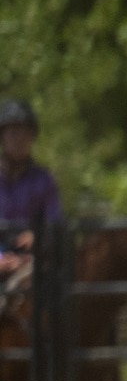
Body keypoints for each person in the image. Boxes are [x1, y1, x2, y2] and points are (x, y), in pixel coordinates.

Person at [0, 98, 54, 301]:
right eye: (13, 132)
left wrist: (36, 238)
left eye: (26, 133)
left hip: (32, 261)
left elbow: (54, 223)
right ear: (2, 136)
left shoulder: (44, 181)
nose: (20, 139)